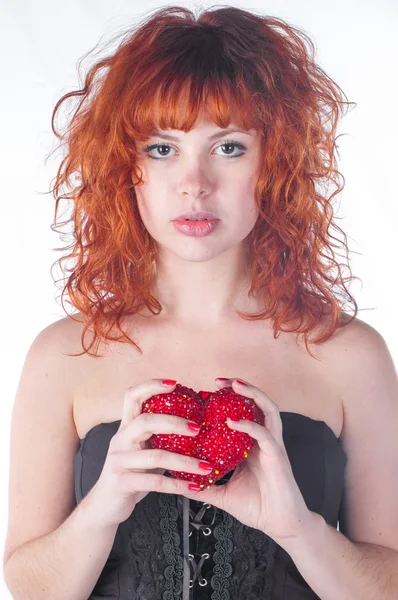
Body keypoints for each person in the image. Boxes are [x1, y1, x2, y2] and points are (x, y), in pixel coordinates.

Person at [3, 5, 398, 600]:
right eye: (162, 148)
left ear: (277, 162)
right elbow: (29, 588)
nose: (194, 182)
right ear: (126, 167)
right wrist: (102, 507)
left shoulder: (349, 354)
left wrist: (300, 531)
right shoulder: (64, 354)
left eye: (230, 147)